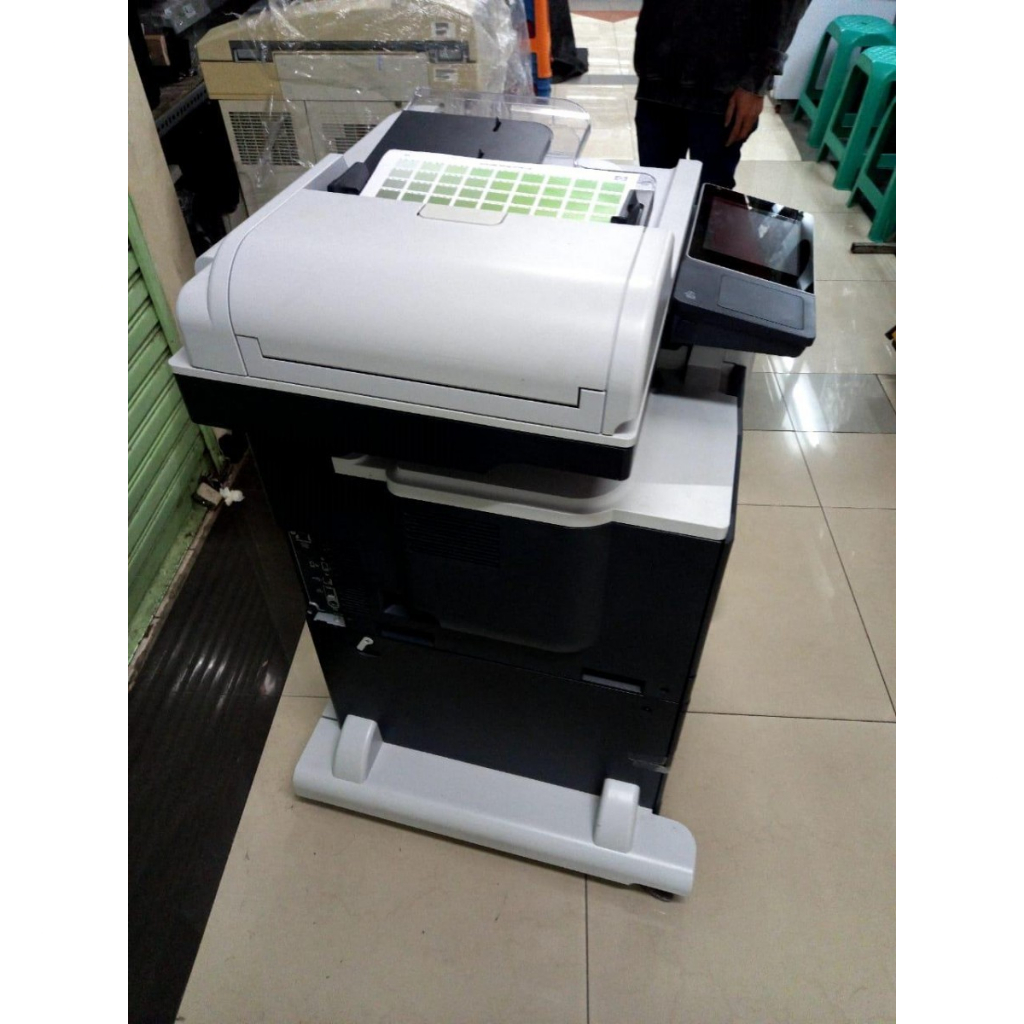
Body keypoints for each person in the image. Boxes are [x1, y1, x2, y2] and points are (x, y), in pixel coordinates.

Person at [633, 0, 812, 187]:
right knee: (654, 185)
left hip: (724, 84)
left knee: (711, 191)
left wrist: (756, 81)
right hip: (657, 70)